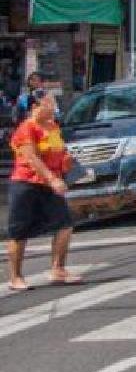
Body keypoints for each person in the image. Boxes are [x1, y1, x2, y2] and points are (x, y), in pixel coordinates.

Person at [7, 89, 81, 291]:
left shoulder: (52, 127)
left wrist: (68, 162)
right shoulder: (26, 129)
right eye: (48, 104)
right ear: (34, 107)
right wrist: (52, 178)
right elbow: (33, 159)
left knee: (64, 224)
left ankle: (58, 269)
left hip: (50, 184)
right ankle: (16, 277)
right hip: (27, 184)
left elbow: (59, 151)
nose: (53, 108)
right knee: (19, 231)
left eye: (53, 103)